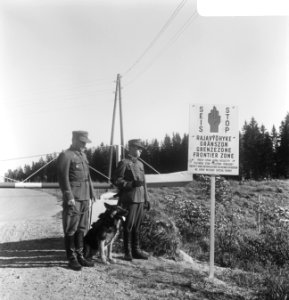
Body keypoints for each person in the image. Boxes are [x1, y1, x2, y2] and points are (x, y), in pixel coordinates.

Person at [57, 130, 95, 271]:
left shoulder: (83, 156)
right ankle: (71, 258)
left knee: (82, 228)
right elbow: (63, 178)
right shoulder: (66, 155)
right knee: (71, 228)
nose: (85, 145)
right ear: (74, 140)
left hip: (84, 197)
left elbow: (88, 177)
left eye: (86, 142)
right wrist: (69, 196)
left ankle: (80, 255)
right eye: (82, 142)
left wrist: (91, 194)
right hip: (74, 198)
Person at [111, 139, 150, 261]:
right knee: (128, 225)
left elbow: (144, 184)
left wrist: (146, 199)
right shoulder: (124, 163)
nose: (140, 151)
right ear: (131, 148)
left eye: (141, 149)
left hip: (140, 199)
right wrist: (131, 184)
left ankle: (136, 250)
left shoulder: (140, 164)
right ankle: (127, 252)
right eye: (138, 148)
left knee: (137, 226)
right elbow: (116, 180)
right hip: (129, 198)